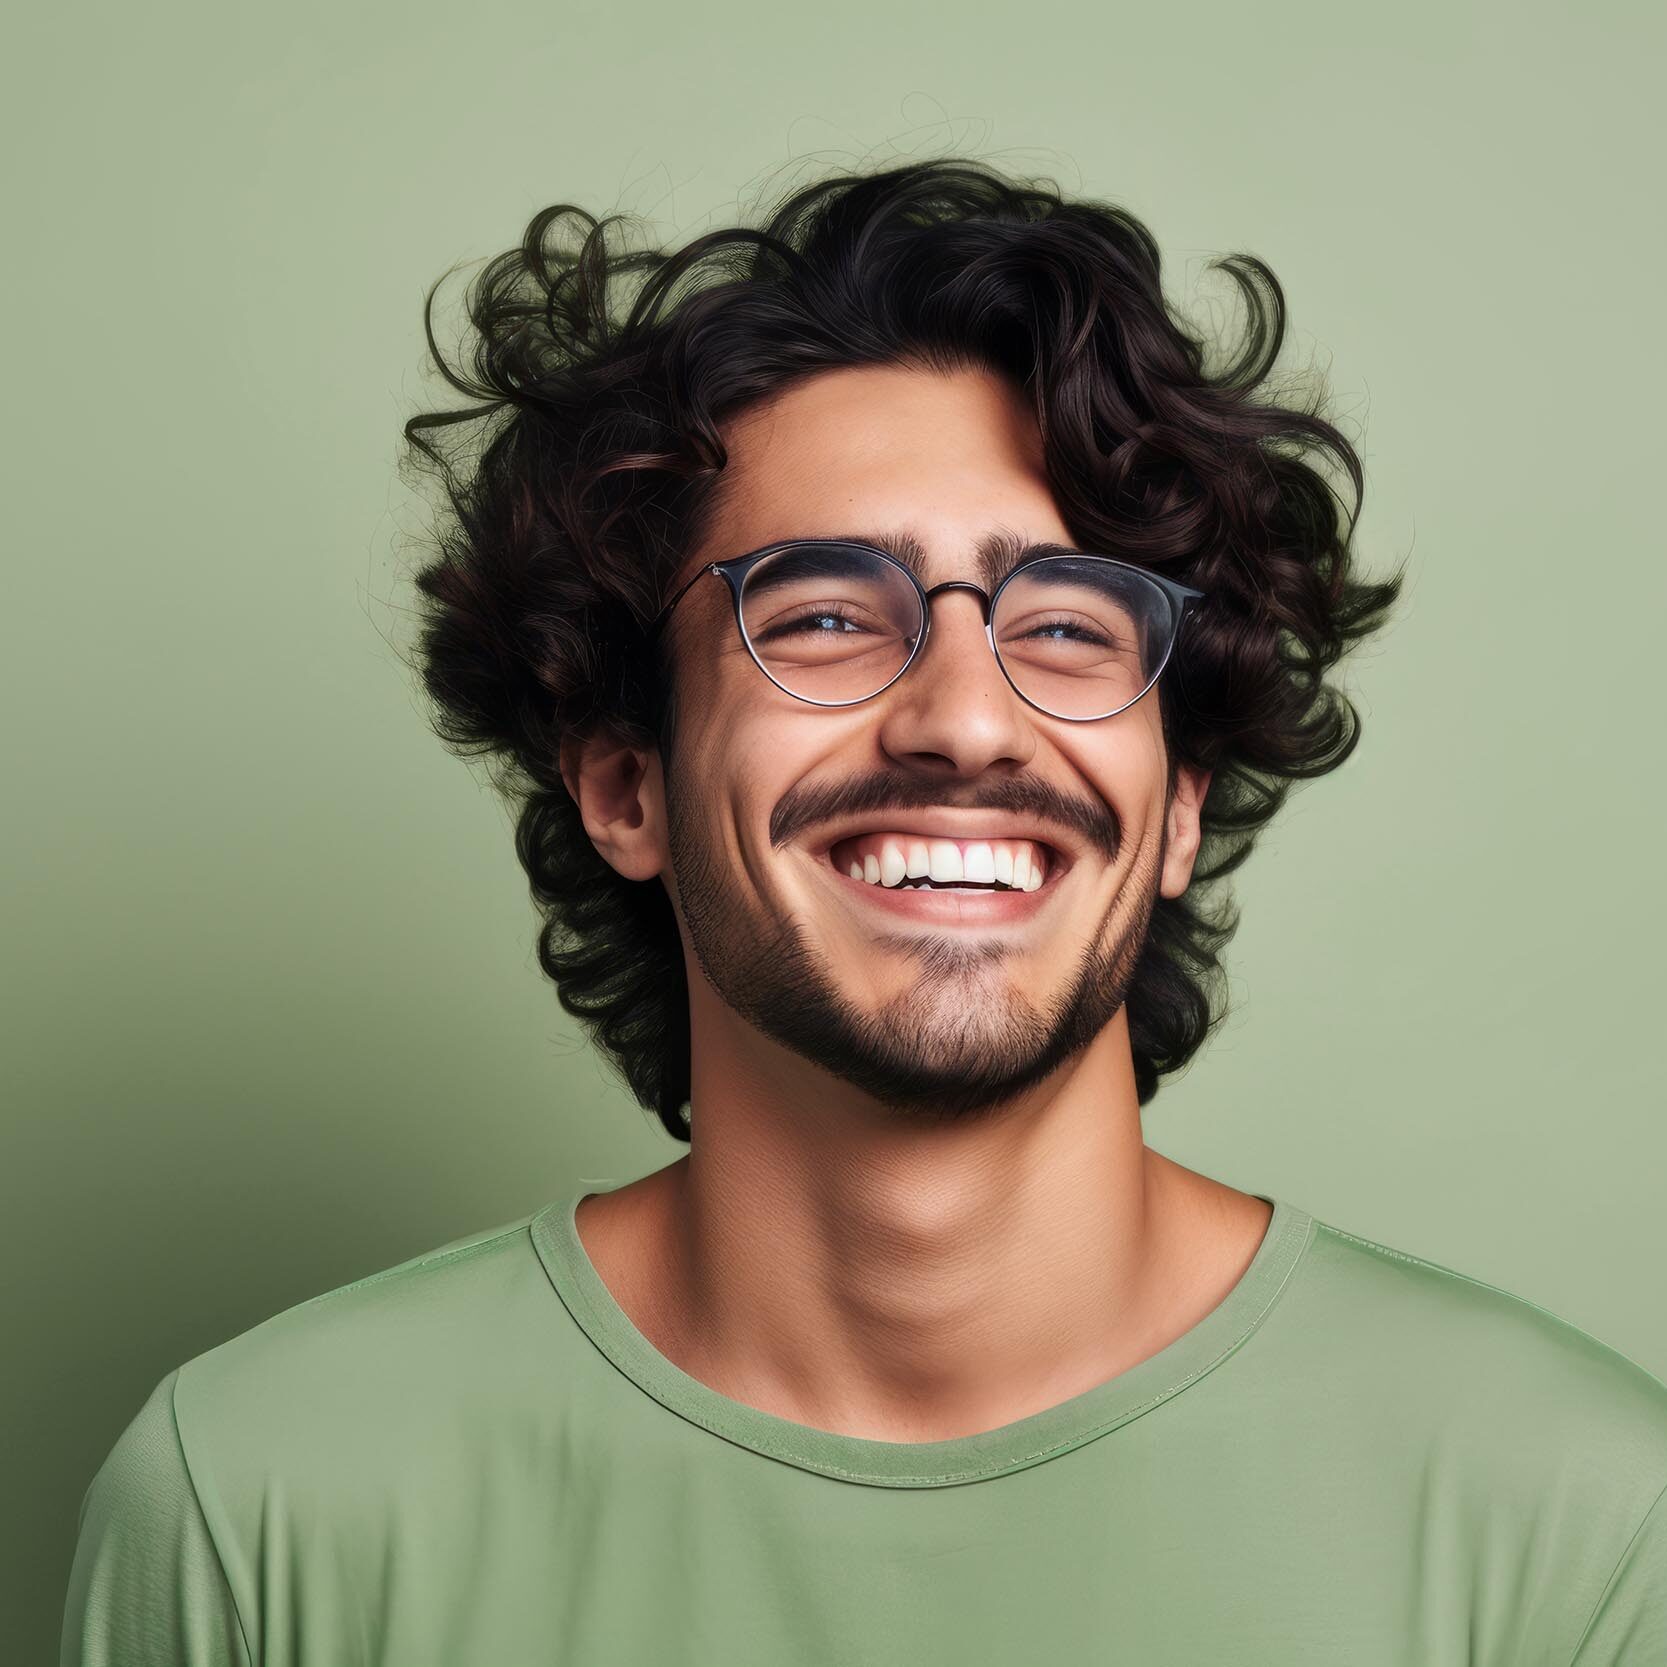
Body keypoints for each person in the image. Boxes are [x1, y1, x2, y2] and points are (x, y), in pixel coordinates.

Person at [61, 157, 1666, 1665]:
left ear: (1176, 806)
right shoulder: (255, 1509)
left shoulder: (1578, 1527)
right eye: (825, 615)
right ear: (627, 785)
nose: (966, 717)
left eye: (1072, 623)